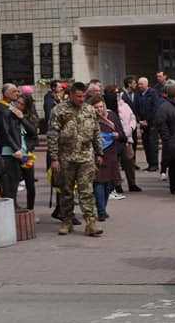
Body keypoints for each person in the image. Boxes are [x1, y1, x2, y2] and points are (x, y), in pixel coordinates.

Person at [48, 82, 104, 237]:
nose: (81, 99)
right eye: (78, 96)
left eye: (83, 96)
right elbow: (52, 135)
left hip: (86, 157)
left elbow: (96, 132)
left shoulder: (89, 109)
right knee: (66, 191)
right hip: (66, 157)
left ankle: (90, 223)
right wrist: (54, 158)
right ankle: (66, 221)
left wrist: (100, 153)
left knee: (86, 190)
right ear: (71, 94)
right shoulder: (59, 110)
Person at [91, 95, 124, 223]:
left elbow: (122, 134)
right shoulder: (90, 120)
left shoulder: (111, 116)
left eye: (101, 106)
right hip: (96, 155)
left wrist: (117, 135)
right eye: (96, 107)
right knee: (99, 182)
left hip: (111, 155)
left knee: (109, 184)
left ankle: (102, 208)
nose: (99, 110)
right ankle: (101, 211)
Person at [0, 84, 25, 209]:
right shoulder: (1, 109)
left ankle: (14, 203)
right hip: (8, 150)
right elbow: (5, 132)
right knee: (9, 179)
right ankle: (10, 206)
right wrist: (15, 148)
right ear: (5, 93)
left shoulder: (9, 107)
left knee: (16, 178)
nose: (17, 94)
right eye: (13, 91)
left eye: (17, 91)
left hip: (15, 148)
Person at [135, 77, 161, 172]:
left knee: (152, 144)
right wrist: (140, 120)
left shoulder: (153, 93)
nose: (139, 86)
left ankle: (154, 164)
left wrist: (148, 120)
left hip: (152, 124)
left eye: (141, 84)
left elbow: (155, 108)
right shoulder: (138, 94)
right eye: (139, 84)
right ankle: (149, 164)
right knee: (146, 144)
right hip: (142, 123)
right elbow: (136, 108)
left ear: (146, 84)